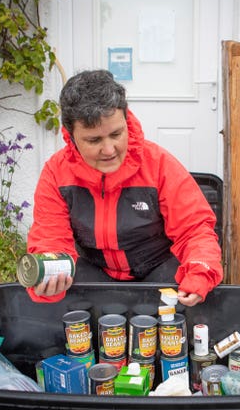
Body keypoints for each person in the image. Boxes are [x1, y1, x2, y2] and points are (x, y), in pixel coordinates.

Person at [25, 70, 223, 306]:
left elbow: (195, 230)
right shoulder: (56, 173)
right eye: (94, 140)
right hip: (95, 271)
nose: (109, 150)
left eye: (116, 134)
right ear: (70, 136)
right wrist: (48, 276)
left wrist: (200, 273)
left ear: (126, 120)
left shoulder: (159, 164)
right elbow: (51, 239)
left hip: (159, 268)